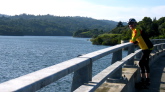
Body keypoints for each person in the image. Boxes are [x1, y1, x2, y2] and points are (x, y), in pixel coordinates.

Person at [128, 18, 153, 86]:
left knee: (141, 63)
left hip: (147, 48)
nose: (131, 25)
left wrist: (133, 41)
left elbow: (133, 39)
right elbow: (136, 39)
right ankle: (146, 80)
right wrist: (136, 41)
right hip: (145, 48)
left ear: (135, 24)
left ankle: (145, 80)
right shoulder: (134, 30)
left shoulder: (136, 30)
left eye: (132, 23)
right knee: (144, 64)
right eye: (129, 24)